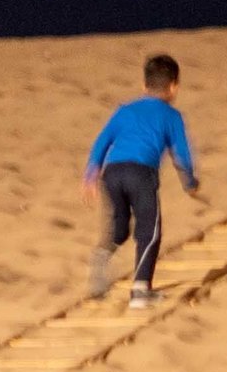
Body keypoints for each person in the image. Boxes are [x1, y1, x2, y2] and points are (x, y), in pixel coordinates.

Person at [83, 52, 200, 307]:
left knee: (120, 229)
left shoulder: (124, 111)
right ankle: (140, 290)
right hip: (141, 174)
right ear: (174, 87)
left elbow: (102, 141)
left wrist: (91, 173)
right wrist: (190, 182)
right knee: (150, 231)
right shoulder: (171, 116)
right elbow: (182, 153)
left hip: (112, 173)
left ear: (144, 85)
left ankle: (102, 256)